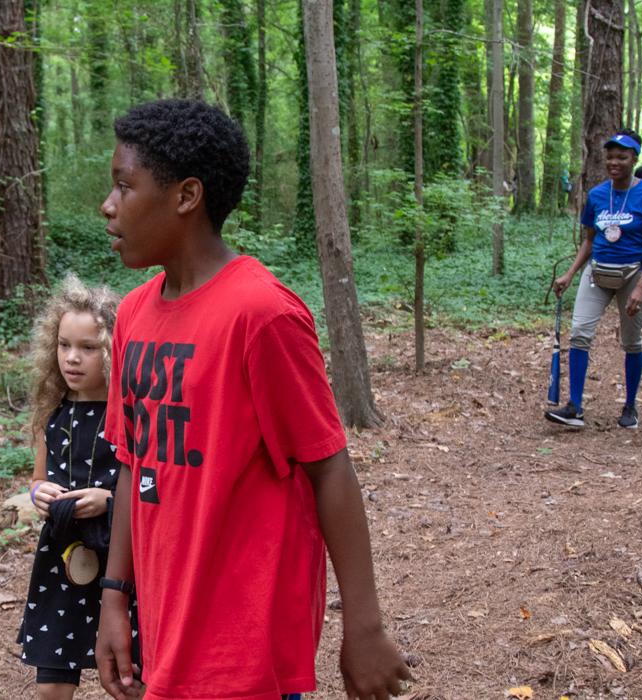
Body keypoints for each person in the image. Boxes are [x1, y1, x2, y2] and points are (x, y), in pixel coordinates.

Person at [90, 99, 414, 700]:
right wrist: (115, 597)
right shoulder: (133, 315)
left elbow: (329, 467)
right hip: (166, 632)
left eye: (123, 186)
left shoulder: (261, 315)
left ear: (186, 196)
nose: (108, 206)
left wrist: (363, 629)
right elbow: (136, 465)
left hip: (244, 650)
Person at [18, 275, 137, 697]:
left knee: (130, 677)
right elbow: (36, 479)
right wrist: (39, 494)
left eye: (88, 348)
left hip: (123, 562)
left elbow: (149, 483)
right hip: (62, 557)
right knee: (51, 680)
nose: (73, 358)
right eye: (64, 345)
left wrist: (111, 500)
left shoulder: (130, 412)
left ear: (112, 350)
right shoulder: (52, 412)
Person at [547, 130, 642, 430]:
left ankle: (630, 406)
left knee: (631, 341)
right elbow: (589, 240)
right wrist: (570, 273)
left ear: (634, 159)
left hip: (632, 275)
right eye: (611, 156)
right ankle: (574, 408)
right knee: (579, 333)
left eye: (622, 157)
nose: (615, 162)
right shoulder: (598, 195)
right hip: (598, 272)